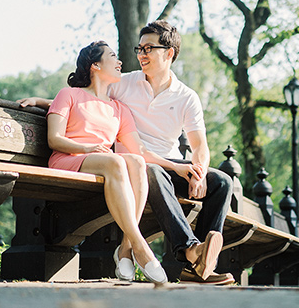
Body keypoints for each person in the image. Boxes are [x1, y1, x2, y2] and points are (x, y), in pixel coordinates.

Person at [20, 21, 234, 285]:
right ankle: (189, 249)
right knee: (151, 170)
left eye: (149, 48)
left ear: (169, 53)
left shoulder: (186, 96)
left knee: (222, 182)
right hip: (138, 165)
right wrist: (43, 102)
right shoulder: (124, 83)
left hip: (169, 163)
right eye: (139, 48)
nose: (141, 54)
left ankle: (201, 265)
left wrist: (199, 174)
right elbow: (87, 99)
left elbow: (199, 146)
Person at [46, 41, 199, 284]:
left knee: (136, 162)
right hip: (68, 160)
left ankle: (126, 249)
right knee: (116, 162)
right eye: (112, 56)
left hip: (103, 163)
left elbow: (140, 150)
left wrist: (176, 166)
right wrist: (86, 148)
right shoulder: (69, 94)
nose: (120, 62)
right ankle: (140, 247)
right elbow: (54, 139)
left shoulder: (119, 109)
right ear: (95, 65)